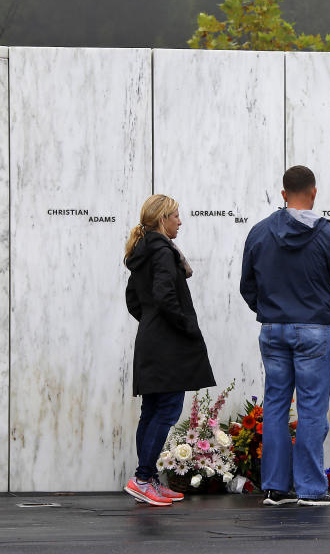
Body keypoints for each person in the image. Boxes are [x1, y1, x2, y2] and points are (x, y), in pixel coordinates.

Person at [240, 165, 330, 507]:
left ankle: (275, 489)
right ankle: (309, 488)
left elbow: (247, 286)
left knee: (275, 406)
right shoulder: (326, 234)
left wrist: (272, 312)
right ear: (314, 192)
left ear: (282, 194)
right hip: (313, 331)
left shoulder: (259, 232)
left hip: (272, 329)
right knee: (311, 408)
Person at [123, 194, 216, 506]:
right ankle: (141, 478)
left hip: (151, 338)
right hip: (168, 343)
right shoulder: (162, 251)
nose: (180, 221)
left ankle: (146, 479)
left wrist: (151, 322)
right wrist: (185, 326)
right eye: (176, 215)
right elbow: (165, 296)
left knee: (151, 411)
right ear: (162, 219)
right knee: (166, 411)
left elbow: (134, 300)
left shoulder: (142, 250)